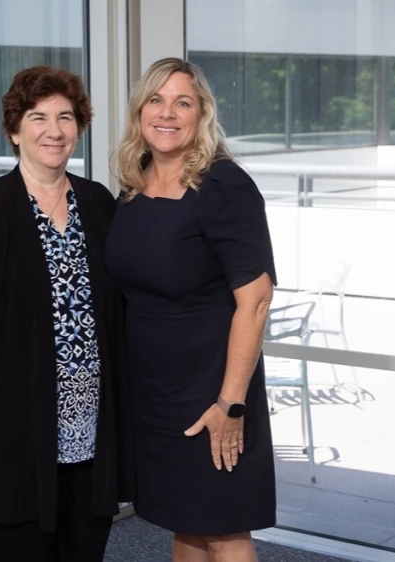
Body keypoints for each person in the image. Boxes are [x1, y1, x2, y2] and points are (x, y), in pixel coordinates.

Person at [0, 66, 133, 562]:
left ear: (79, 127)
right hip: (9, 432)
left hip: (89, 430)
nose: (54, 130)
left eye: (65, 117)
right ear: (15, 130)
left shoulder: (99, 204)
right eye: (38, 117)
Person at [105, 57, 277, 561]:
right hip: (154, 393)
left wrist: (230, 405)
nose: (168, 113)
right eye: (156, 100)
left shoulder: (224, 186)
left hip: (212, 389)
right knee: (185, 523)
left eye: (183, 102)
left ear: (201, 114)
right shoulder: (134, 186)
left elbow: (257, 298)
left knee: (222, 527)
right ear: (140, 113)